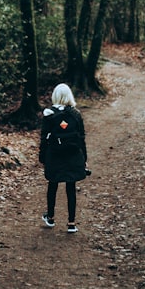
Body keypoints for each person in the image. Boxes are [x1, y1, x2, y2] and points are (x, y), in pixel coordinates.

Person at [38, 83, 88, 233]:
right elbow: (81, 138)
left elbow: (44, 138)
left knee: (52, 185)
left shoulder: (49, 115)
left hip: (54, 155)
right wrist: (84, 158)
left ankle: (51, 218)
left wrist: (42, 156)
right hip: (72, 155)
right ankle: (71, 223)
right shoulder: (76, 114)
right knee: (70, 187)